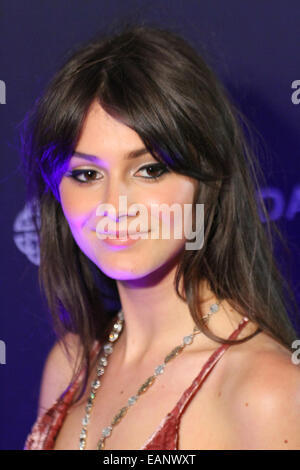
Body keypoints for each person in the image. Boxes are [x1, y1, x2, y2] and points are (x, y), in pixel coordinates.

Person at [21, 22, 300, 450]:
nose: (115, 204)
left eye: (150, 169)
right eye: (86, 174)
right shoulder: (69, 366)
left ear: (205, 181)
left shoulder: (269, 391)